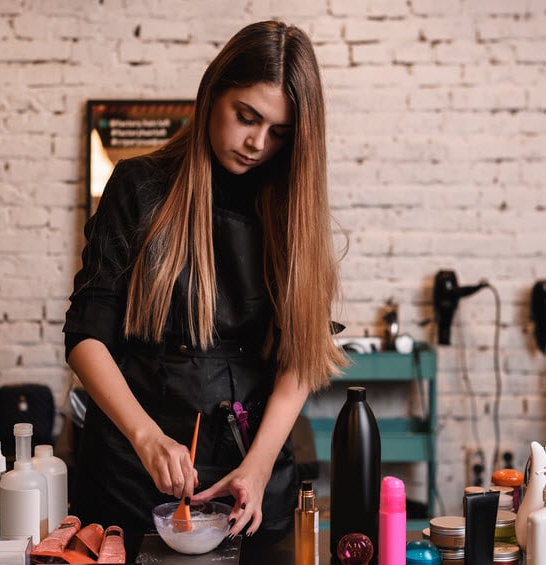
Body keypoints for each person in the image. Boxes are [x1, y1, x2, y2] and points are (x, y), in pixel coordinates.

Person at [63, 19, 346, 559]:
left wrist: (259, 467)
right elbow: (85, 337)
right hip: (132, 472)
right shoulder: (137, 187)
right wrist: (146, 438)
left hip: (253, 476)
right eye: (247, 117)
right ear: (212, 90)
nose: (258, 144)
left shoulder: (293, 208)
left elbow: (300, 354)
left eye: (280, 133)